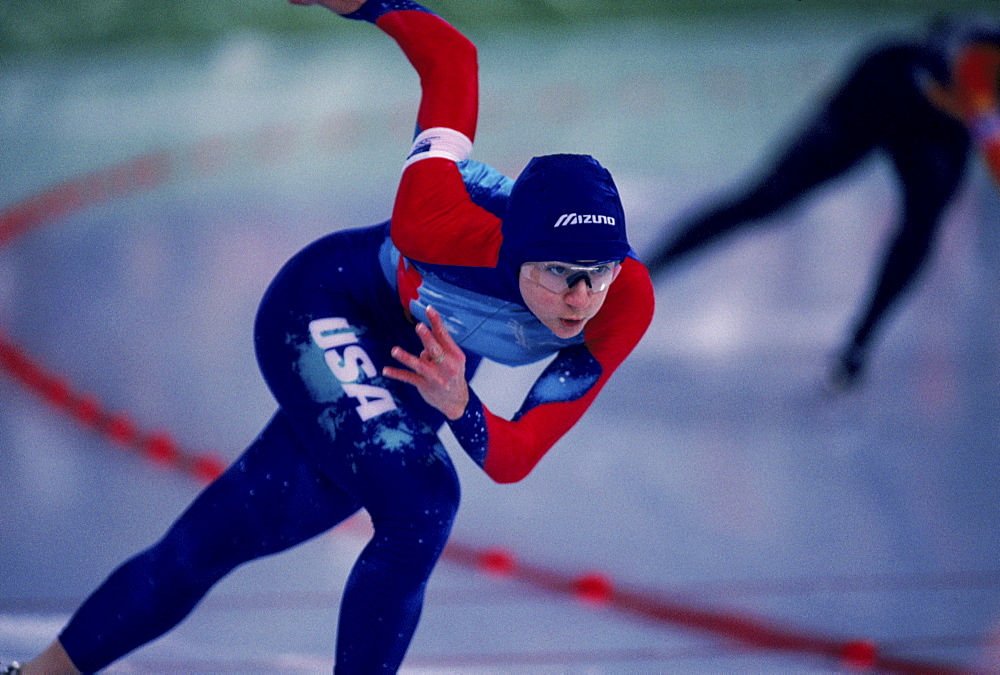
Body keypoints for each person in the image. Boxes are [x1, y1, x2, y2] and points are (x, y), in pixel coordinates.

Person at [4, 0, 654, 673]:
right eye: (559, 272)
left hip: (421, 368)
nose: (582, 297)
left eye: (598, 271)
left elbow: (517, 454)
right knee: (423, 503)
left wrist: (461, 403)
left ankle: (43, 672)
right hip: (326, 306)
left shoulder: (622, 302)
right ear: (511, 251)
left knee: (225, 534)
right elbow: (453, 61)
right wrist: (370, 3)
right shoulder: (434, 218)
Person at [643, 17, 1000, 391]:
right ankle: (643, 274)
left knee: (921, 224)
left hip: (938, 125)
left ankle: (857, 347)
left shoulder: (975, 85)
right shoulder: (974, 66)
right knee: (767, 198)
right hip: (882, 90)